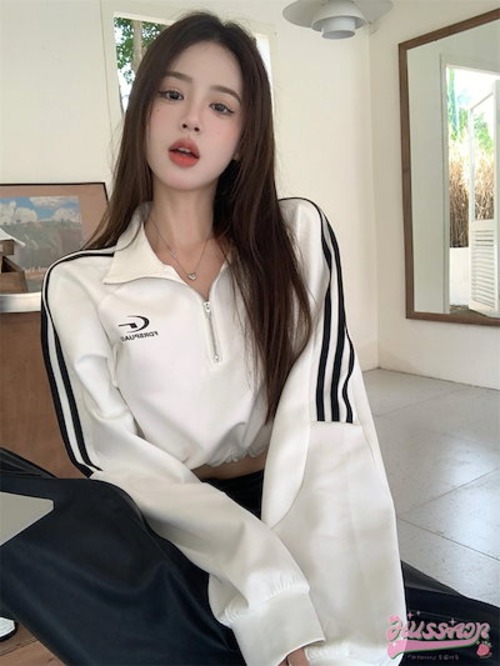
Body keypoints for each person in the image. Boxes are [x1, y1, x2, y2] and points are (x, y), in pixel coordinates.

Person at [15, 12, 408, 666]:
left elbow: (331, 428)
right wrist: (267, 591)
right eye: (172, 93)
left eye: (220, 106)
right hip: (169, 522)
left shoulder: (297, 239)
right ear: (142, 113)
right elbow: (114, 460)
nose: (192, 119)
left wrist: (325, 613)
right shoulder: (79, 284)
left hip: (292, 497)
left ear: (244, 138)